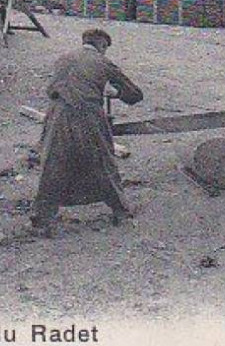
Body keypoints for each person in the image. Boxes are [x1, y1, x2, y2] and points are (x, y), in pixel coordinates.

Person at [30, 27, 143, 237]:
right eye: (105, 48)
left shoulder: (63, 59)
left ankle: (41, 221)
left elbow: (51, 89)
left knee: (53, 164)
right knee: (103, 161)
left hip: (56, 115)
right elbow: (134, 94)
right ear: (102, 45)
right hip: (88, 115)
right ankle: (122, 212)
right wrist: (115, 92)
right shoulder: (102, 62)